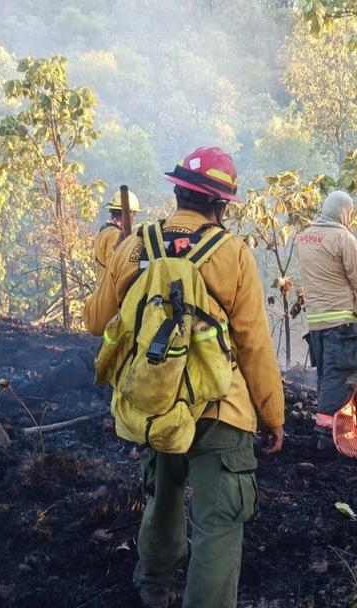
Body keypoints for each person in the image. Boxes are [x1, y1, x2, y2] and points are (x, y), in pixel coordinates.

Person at [84, 147, 284, 608]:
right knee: (218, 523)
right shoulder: (233, 253)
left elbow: (96, 322)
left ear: (177, 192)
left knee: (163, 501)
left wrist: (115, 262)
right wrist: (273, 414)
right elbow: (254, 343)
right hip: (220, 407)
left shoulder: (135, 246)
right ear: (221, 206)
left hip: (156, 403)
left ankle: (153, 590)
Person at [295, 190, 357, 450]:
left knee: (326, 377)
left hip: (316, 321)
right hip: (341, 320)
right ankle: (328, 437)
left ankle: (328, 428)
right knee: (338, 377)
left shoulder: (304, 236)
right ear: (345, 212)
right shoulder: (342, 237)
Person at [93, 189, 141, 282]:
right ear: (128, 213)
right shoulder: (114, 235)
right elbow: (115, 268)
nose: (134, 218)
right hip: (111, 292)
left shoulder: (107, 230)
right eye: (133, 214)